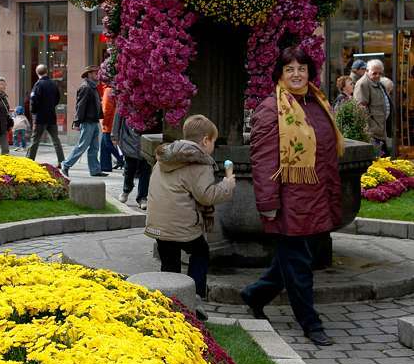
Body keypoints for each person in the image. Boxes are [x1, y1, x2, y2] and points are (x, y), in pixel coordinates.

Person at [241, 46, 344, 347]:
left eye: (302, 68)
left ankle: (255, 294)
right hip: (290, 202)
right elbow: (263, 162)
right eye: (290, 69)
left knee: (294, 259)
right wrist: (268, 204)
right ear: (280, 74)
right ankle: (311, 324)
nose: (297, 74)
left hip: (317, 196)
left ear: (310, 72)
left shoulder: (318, 103)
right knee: (299, 264)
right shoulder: (271, 110)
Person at [145, 115, 235, 307]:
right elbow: (207, 196)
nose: (213, 146)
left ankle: (169, 300)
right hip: (181, 224)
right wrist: (227, 184)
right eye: (213, 141)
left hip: (157, 224)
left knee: (169, 263)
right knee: (201, 251)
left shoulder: (164, 156)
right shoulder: (199, 163)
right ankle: (195, 296)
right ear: (205, 140)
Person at [61, 66, 107, 178]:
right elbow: (80, 106)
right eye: (95, 73)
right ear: (89, 74)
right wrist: (77, 122)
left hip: (94, 121)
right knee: (82, 146)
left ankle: (95, 170)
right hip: (87, 122)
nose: (97, 74)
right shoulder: (86, 87)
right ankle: (66, 165)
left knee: (95, 147)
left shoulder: (92, 87)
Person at [26, 64, 65, 166]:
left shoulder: (38, 85)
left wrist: (33, 112)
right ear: (47, 71)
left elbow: (33, 100)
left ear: (37, 72)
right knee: (56, 140)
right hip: (51, 116)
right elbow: (57, 98)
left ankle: (29, 161)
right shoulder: (53, 84)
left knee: (35, 140)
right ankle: (61, 161)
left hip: (40, 117)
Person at [112, 109, 151, 209]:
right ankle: (126, 190)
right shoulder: (126, 98)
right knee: (130, 168)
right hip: (129, 139)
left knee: (145, 170)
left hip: (146, 138)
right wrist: (115, 136)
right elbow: (118, 117)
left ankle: (142, 197)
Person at [354, 58, 390, 155]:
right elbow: (361, 109)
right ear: (367, 71)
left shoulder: (378, 83)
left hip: (380, 130)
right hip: (373, 134)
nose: (377, 75)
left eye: (380, 73)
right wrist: (373, 128)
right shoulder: (363, 84)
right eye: (374, 73)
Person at [99, 84, 124, 172]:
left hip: (109, 123)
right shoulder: (113, 90)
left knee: (108, 144)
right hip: (113, 122)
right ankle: (105, 166)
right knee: (104, 145)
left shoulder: (108, 91)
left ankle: (121, 160)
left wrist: (104, 123)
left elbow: (106, 109)